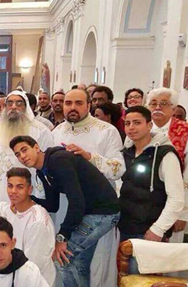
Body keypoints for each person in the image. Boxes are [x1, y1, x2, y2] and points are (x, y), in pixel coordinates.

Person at [10, 135, 120, 286]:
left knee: (63, 259)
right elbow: (52, 205)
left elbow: (77, 202)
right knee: (78, 262)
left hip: (103, 212)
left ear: (36, 147)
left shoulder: (58, 161)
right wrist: (26, 200)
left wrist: (62, 237)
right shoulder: (43, 171)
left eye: (24, 150)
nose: (22, 156)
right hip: (91, 213)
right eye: (17, 154)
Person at [52, 88, 125, 286]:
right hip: (67, 207)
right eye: (68, 103)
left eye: (78, 103)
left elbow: (119, 169)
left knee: (90, 262)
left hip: (97, 209)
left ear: (89, 105)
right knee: (67, 259)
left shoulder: (106, 131)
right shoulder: (57, 131)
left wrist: (89, 157)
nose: (72, 108)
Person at [0, 168, 56, 286]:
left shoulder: (37, 221)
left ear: (30, 190)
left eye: (19, 187)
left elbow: (33, 265)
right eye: (10, 186)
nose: (13, 191)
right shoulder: (11, 209)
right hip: (13, 276)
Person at [119, 106, 184, 246]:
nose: (131, 127)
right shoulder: (126, 152)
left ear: (149, 125)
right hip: (125, 227)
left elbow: (176, 198)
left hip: (149, 231)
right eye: (127, 123)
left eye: (137, 123)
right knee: (124, 269)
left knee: (140, 268)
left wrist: (158, 229)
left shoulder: (165, 155)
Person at [146, 88, 188, 243]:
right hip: (141, 202)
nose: (157, 107)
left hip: (173, 200)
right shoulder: (140, 126)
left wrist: (183, 214)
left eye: (164, 104)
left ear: (173, 107)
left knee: (167, 257)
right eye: (153, 103)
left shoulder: (187, 130)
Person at [0, 90, 53, 202]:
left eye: (19, 103)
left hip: (28, 188)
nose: (14, 107)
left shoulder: (40, 130)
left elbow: (47, 164)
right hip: (0, 186)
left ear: (26, 107)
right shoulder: (1, 128)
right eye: (9, 103)